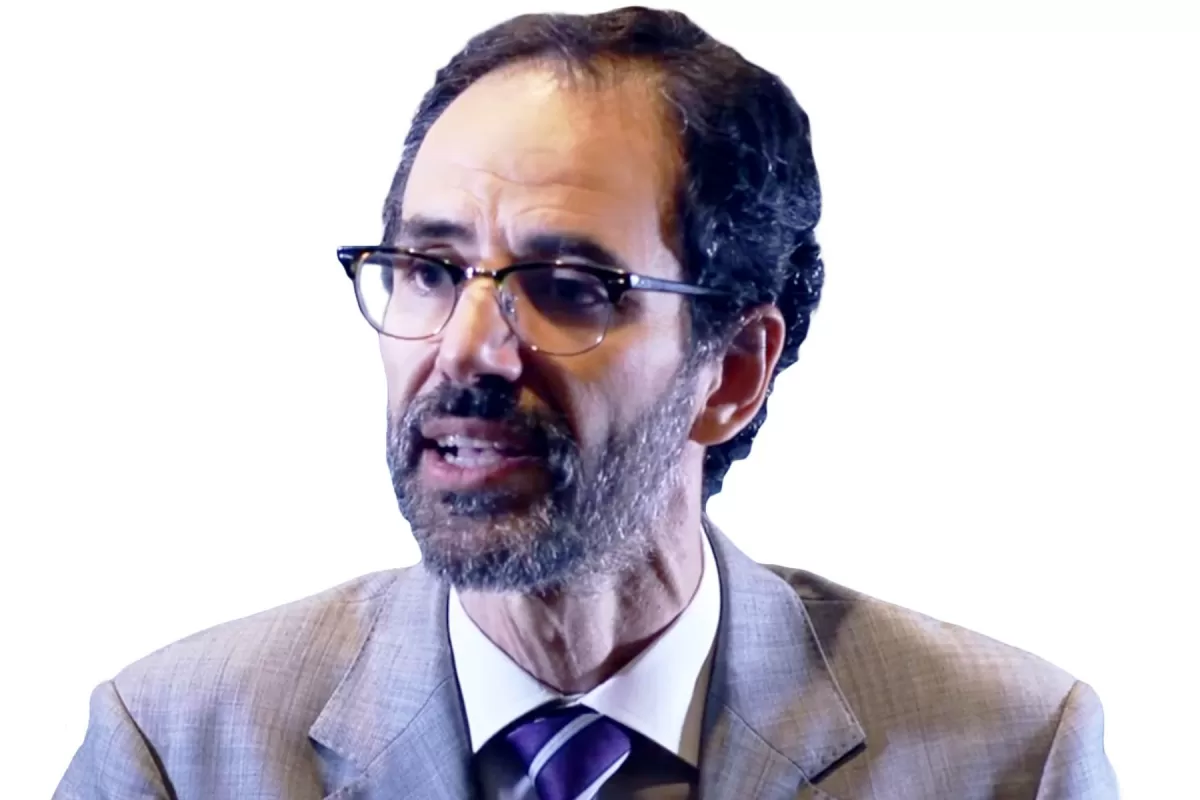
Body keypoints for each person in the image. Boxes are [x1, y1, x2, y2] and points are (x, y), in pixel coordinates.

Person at [55, 7, 1118, 799]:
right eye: (429, 270)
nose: (464, 348)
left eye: (568, 286)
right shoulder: (179, 750)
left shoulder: (1008, 754)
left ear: (732, 372)